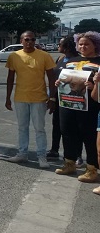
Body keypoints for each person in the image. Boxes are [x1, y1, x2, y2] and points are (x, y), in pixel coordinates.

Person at [5, 31, 57, 169]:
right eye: (27, 39)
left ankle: (41, 156)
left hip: (39, 98)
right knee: (22, 128)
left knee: (39, 128)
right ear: (21, 41)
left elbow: (52, 78)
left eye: (33, 39)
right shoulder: (14, 56)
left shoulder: (44, 56)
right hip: (20, 98)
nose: (30, 42)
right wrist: (7, 98)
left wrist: (52, 97)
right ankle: (22, 153)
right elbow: (10, 78)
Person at [54, 31, 100, 187]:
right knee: (67, 133)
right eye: (80, 44)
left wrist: (94, 86)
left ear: (95, 45)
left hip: (90, 106)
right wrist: (59, 83)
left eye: (87, 44)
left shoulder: (99, 62)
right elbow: (64, 79)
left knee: (89, 136)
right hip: (68, 103)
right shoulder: (70, 61)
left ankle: (92, 168)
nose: (83, 46)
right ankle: (69, 163)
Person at [48, 36, 83, 164]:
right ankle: (54, 150)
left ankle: (77, 154)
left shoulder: (79, 60)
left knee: (74, 128)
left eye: (60, 44)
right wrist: (51, 97)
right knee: (57, 124)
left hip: (74, 98)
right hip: (59, 97)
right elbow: (54, 77)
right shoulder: (60, 58)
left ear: (67, 46)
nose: (58, 46)